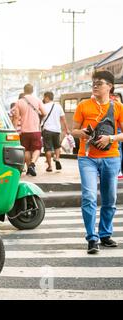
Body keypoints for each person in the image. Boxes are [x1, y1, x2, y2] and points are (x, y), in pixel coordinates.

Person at [71, 71, 123, 254]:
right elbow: (73, 131)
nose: (95, 86)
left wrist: (111, 138)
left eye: (99, 83)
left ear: (109, 86)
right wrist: (85, 132)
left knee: (110, 199)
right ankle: (92, 238)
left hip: (111, 157)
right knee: (89, 197)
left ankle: (105, 235)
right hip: (87, 158)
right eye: (93, 83)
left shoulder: (118, 107)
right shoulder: (83, 105)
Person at [12, 84, 47, 176]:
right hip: (36, 130)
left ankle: (28, 168)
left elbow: (16, 117)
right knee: (37, 148)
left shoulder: (19, 102)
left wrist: (14, 130)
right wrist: (39, 119)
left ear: (24, 90)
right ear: (32, 90)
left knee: (26, 150)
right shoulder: (37, 100)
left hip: (24, 131)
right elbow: (44, 113)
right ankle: (32, 164)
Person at [41, 91, 70, 172]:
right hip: (57, 130)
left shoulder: (43, 106)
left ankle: (50, 166)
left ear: (46, 97)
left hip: (47, 130)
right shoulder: (58, 106)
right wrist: (67, 129)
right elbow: (63, 119)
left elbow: (40, 118)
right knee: (57, 146)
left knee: (48, 148)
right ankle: (57, 159)